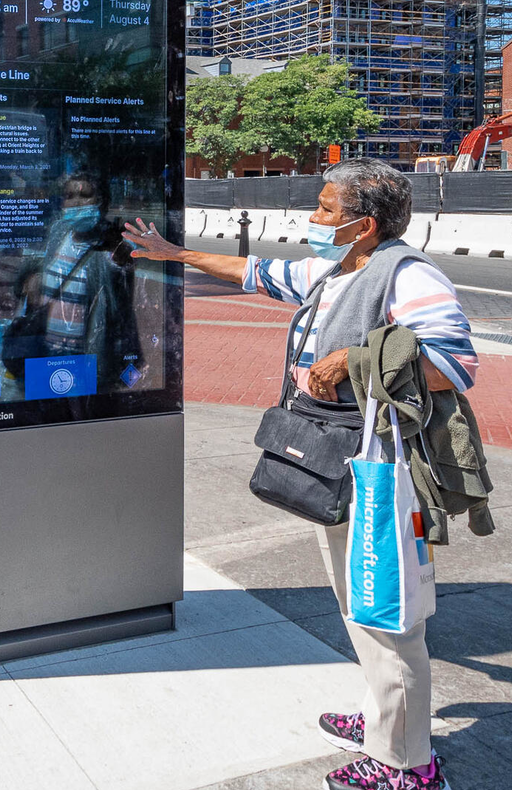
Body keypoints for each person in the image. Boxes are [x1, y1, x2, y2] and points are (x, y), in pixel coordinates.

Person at [123, 158, 473, 790]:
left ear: (365, 225)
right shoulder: (338, 269)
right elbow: (255, 271)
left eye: (326, 209)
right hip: (336, 460)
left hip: (377, 472)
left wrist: (351, 360)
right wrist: (174, 254)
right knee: (355, 601)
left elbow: (454, 364)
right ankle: (381, 718)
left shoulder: (407, 275)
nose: (313, 218)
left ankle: (408, 764)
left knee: (386, 614)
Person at [7, 172, 142, 395]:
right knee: (45, 408)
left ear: (101, 201)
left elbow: (121, 273)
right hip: (45, 350)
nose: (76, 203)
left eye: (85, 195)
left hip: (84, 355)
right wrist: (32, 276)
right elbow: (40, 263)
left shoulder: (109, 246)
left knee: (81, 409)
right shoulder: (58, 232)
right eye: (69, 196)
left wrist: (122, 254)